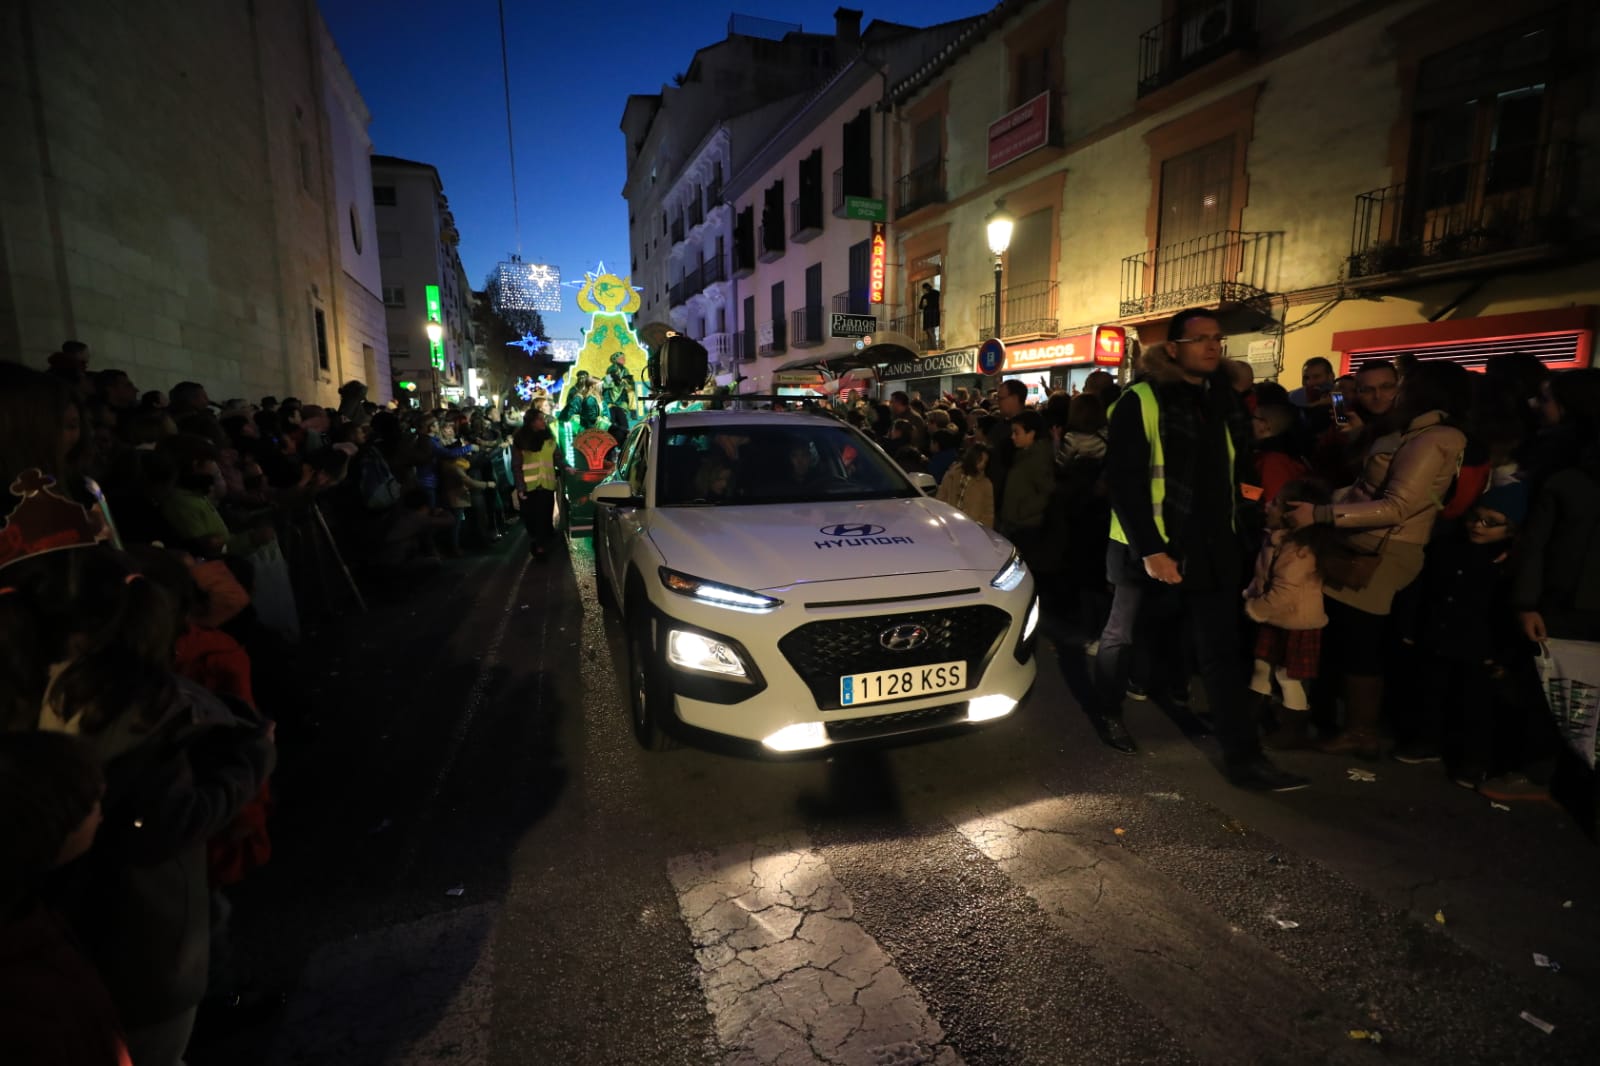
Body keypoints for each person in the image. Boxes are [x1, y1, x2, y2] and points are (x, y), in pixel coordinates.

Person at [1094, 306, 1306, 791]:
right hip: (1148, 546)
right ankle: (1108, 712)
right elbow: (1124, 483)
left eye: (1216, 338)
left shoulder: (1224, 400)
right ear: (1173, 348)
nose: (1212, 346)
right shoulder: (1141, 400)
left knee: (1220, 653)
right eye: (1200, 339)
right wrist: (1152, 549)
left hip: (1214, 545)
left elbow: (1235, 473)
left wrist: (1251, 521)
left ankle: (1244, 758)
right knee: (1121, 634)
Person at [1286, 361, 1470, 760]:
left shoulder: (1433, 437)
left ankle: (1362, 731)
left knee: (1361, 642)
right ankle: (1353, 724)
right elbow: (1366, 487)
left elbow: (1396, 506)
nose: (1387, 395)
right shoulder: (1415, 432)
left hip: (1384, 549)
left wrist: (1320, 514)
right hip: (1365, 541)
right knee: (1354, 638)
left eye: (1397, 386)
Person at [0, 731, 131, 1066]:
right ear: (55, 826)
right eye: (92, 805)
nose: (101, 814)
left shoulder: (25, 902)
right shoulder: (34, 999)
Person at [1244, 480, 1334, 749]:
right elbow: (1262, 576)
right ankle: (1251, 714)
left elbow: (1284, 591)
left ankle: (1292, 729)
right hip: (1276, 616)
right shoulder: (1275, 538)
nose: (1267, 506)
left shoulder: (1299, 550)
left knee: (1288, 675)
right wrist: (1251, 594)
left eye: (1274, 503)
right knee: (1262, 664)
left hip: (1295, 621)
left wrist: (1254, 608)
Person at [512, 410, 566, 560]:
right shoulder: (520, 440)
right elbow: (516, 466)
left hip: (546, 486)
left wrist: (566, 467)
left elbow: (558, 458)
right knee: (530, 519)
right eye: (540, 419)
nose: (544, 422)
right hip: (528, 488)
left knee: (543, 518)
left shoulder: (550, 439)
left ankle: (540, 547)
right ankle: (537, 541)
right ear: (531, 422)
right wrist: (520, 487)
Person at [936, 442, 995, 528]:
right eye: (980, 460)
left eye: (985, 462)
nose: (982, 464)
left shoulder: (985, 484)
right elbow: (940, 499)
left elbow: (988, 514)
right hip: (948, 526)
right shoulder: (952, 475)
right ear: (972, 458)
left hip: (970, 530)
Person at [918, 282, 941, 350]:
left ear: (926, 288)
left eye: (923, 289)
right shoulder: (936, 293)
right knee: (930, 331)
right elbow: (920, 306)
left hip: (930, 315)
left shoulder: (932, 294)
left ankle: (934, 347)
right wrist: (923, 305)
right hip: (932, 314)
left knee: (930, 331)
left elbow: (921, 306)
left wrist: (924, 305)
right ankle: (932, 346)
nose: (923, 291)